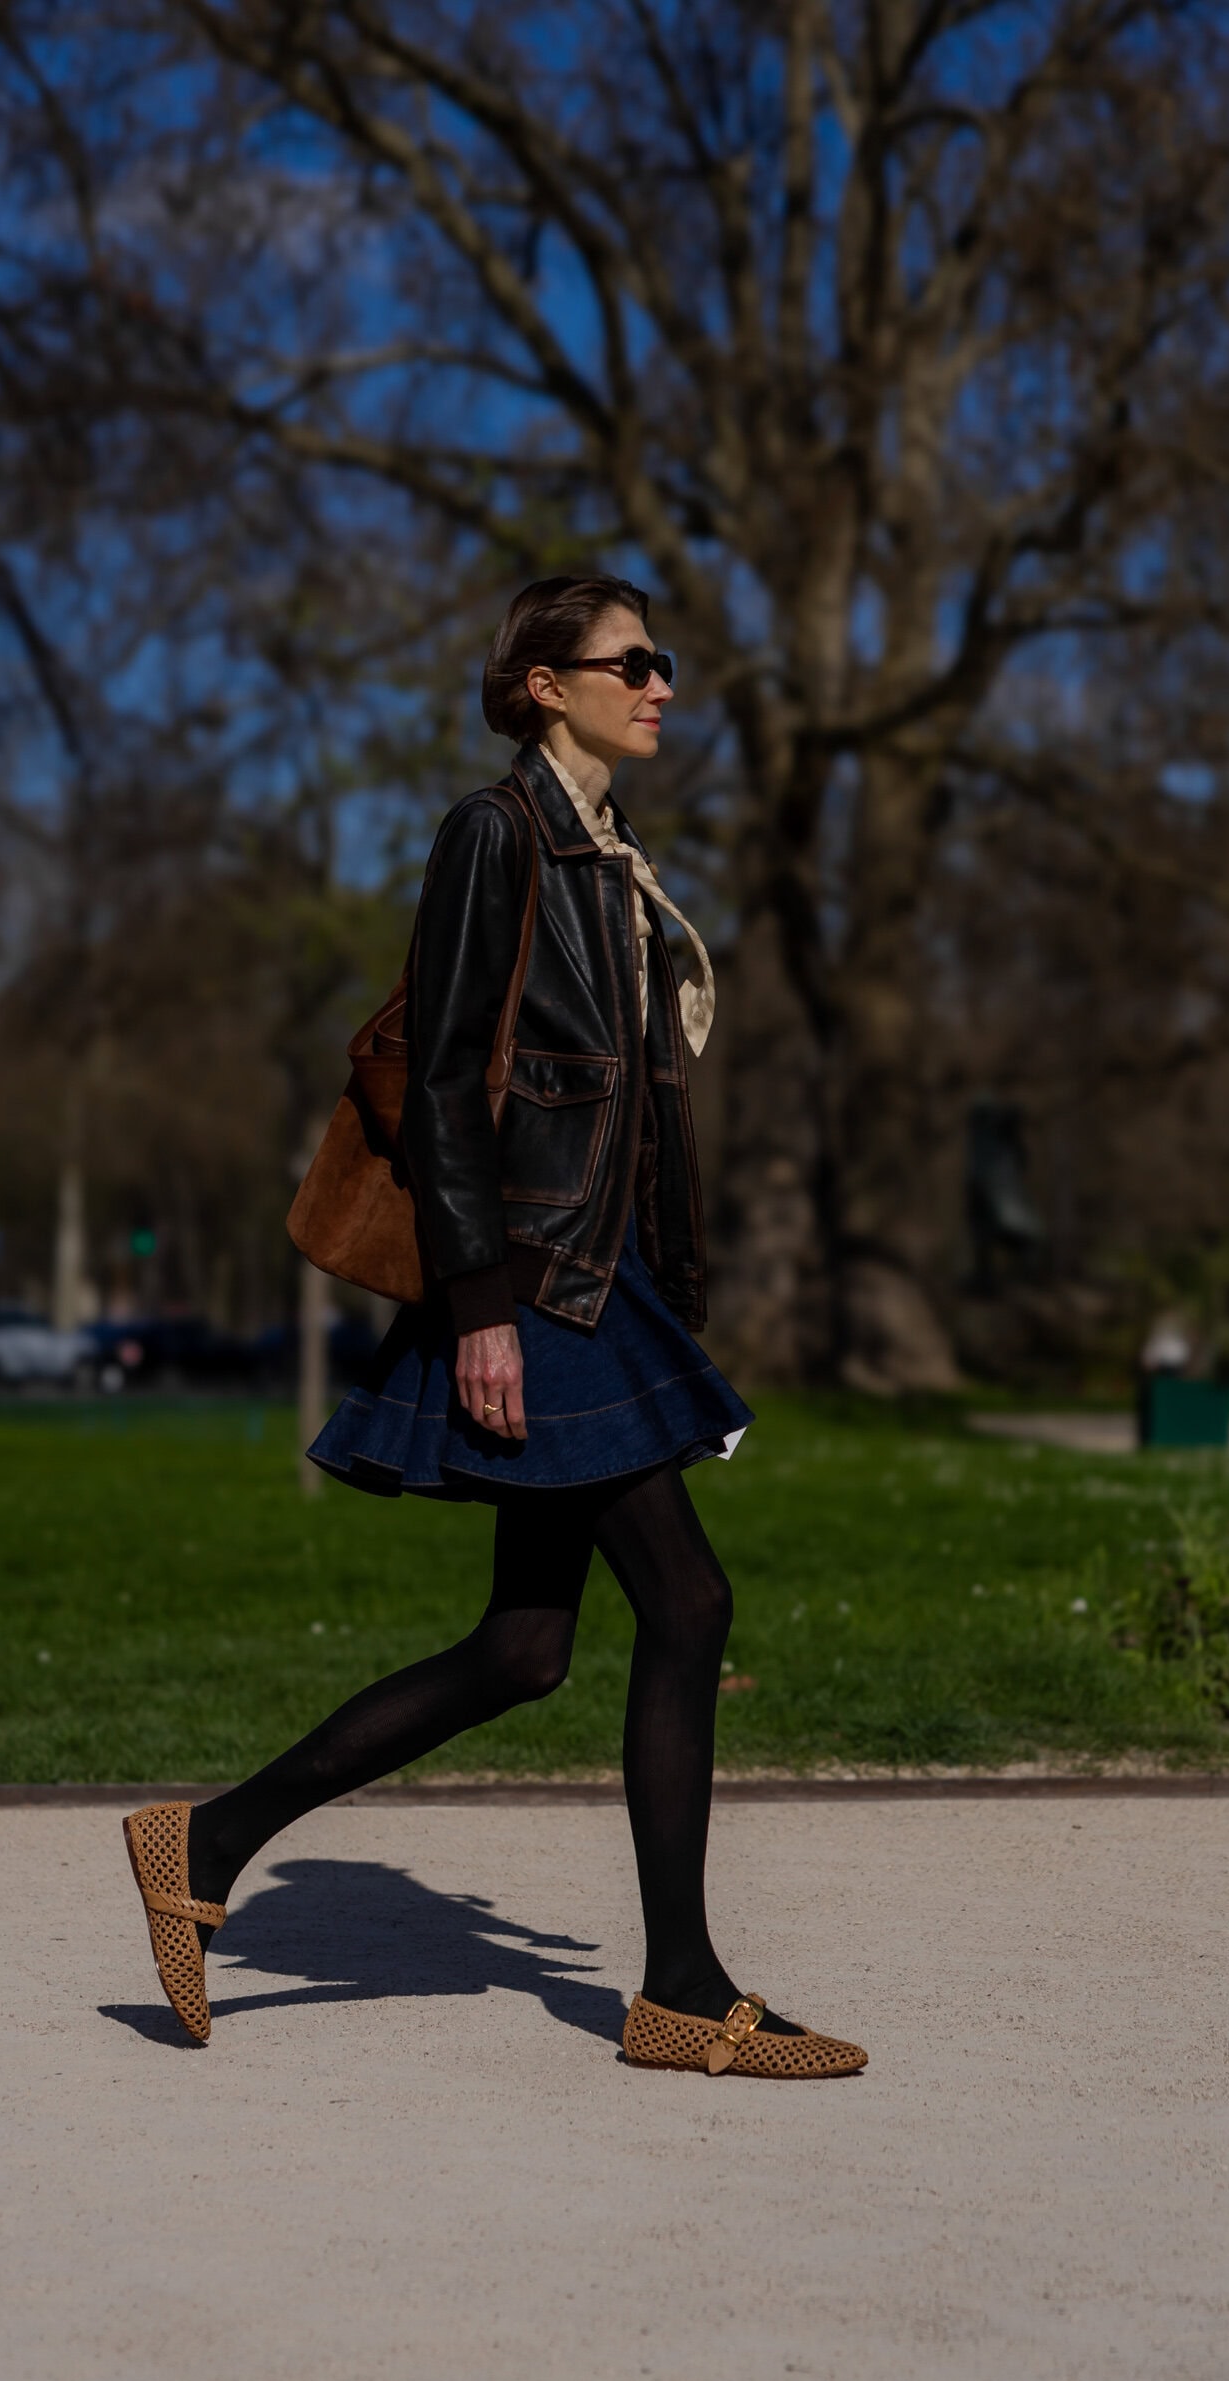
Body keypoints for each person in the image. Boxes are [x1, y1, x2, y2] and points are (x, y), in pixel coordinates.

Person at [123, 575, 867, 2081]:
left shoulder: (608, 855)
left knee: (526, 1651)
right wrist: (479, 1310)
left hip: (596, 1275)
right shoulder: (497, 833)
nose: (660, 686)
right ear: (545, 683)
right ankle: (680, 1988)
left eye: (662, 662)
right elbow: (447, 1080)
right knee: (690, 1602)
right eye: (631, 663)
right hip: (533, 1279)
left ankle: (205, 1840)